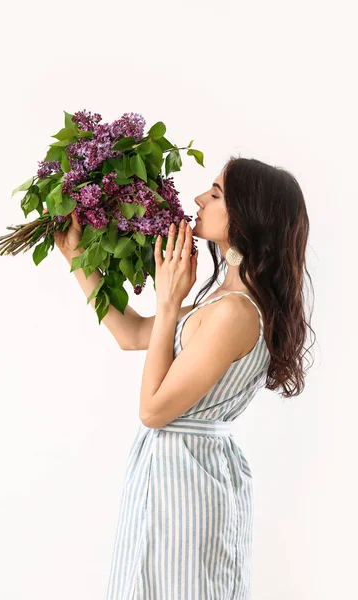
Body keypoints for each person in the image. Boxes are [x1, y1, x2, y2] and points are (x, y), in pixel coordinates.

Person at [48, 156, 314, 599]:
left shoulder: (233, 312)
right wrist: (77, 257)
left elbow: (152, 411)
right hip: (180, 472)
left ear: (248, 214)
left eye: (215, 193)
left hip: (186, 480)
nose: (198, 199)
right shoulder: (225, 302)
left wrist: (170, 301)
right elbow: (131, 334)